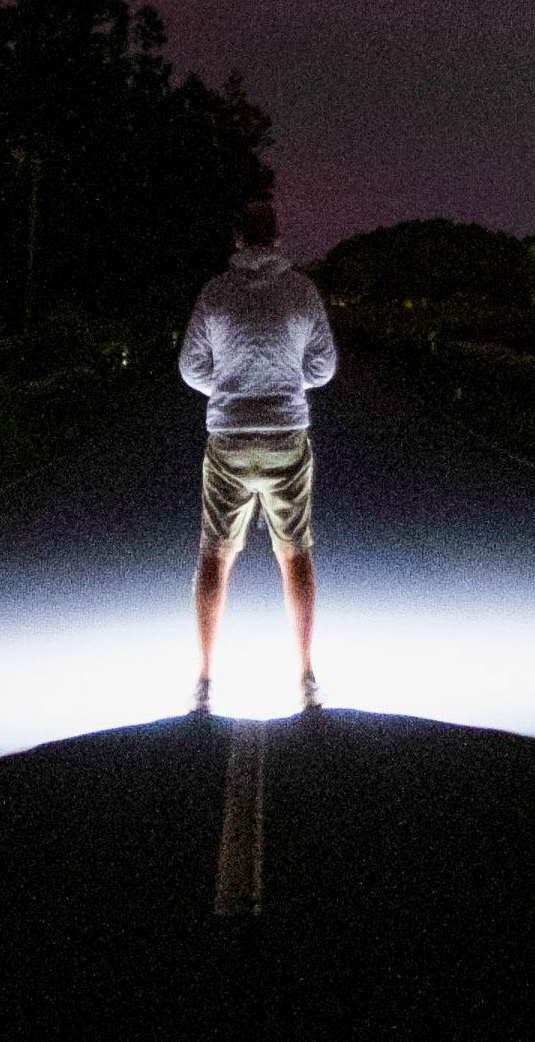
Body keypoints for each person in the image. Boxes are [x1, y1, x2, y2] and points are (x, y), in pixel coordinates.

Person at [178, 193, 334, 710]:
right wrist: (289, 380)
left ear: (237, 239)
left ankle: (203, 681)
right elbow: (324, 367)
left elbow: (190, 367)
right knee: (296, 555)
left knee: (214, 556)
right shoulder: (302, 291)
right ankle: (307, 677)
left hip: (228, 437)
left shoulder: (215, 293)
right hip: (287, 434)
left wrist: (227, 386)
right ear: (277, 238)